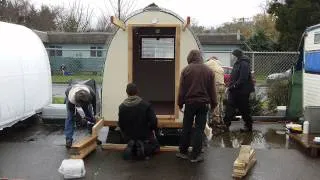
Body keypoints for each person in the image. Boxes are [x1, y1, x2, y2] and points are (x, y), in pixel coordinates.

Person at [176, 49, 217, 163]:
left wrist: (180, 103)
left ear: (190, 58)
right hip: (203, 104)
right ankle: (195, 155)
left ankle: (182, 152)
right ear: (200, 57)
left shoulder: (186, 70)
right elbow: (212, 90)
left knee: (186, 127)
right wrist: (214, 104)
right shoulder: (209, 71)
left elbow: (182, 90)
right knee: (199, 128)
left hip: (190, 103)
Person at [118, 83, 160, 160]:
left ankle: (132, 144)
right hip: (144, 135)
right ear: (137, 91)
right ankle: (142, 146)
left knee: (132, 139)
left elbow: (121, 124)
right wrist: (153, 131)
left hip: (128, 135)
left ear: (126, 92)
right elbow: (154, 122)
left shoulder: (121, 107)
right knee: (156, 146)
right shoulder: (146, 105)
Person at [224, 49, 255, 132]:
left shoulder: (244, 64)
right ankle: (226, 125)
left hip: (242, 92)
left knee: (244, 109)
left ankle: (248, 126)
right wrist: (229, 86)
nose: (232, 57)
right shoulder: (237, 63)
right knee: (229, 108)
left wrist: (233, 86)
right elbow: (234, 76)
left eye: (233, 55)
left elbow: (243, 79)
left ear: (237, 55)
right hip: (234, 91)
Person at [64, 84, 97, 148]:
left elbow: (95, 105)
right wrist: (80, 119)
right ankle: (68, 139)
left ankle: (92, 134)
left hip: (85, 96)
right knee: (70, 117)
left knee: (89, 114)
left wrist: (95, 114)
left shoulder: (92, 94)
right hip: (71, 98)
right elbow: (74, 113)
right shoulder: (71, 98)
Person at [205, 56, 226, 125]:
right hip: (222, 85)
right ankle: (221, 118)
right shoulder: (219, 64)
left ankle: (216, 120)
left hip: (216, 85)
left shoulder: (209, 63)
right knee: (221, 102)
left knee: (215, 102)